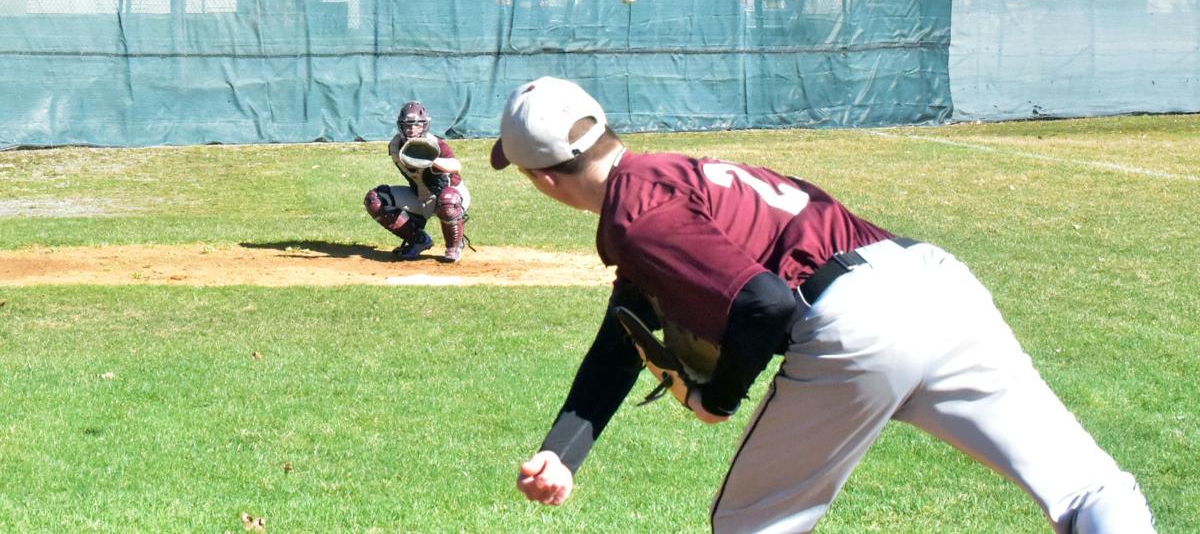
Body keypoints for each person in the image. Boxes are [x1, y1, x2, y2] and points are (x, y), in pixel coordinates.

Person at [493, 76, 1156, 534]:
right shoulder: (671, 172)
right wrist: (563, 450)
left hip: (857, 317)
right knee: (1085, 486)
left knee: (748, 522)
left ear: (543, 178)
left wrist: (717, 399)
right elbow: (626, 330)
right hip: (935, 282)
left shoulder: (634, 216)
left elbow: (765, 303)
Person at [364, 101, 470, 263]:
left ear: (425, 125)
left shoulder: (435, 143)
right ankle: (418, 240)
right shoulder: (395, 145)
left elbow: (456, 166)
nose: (412, 129)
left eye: (417, 125)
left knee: (448, 200)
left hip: (451, 192)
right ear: (401, 126)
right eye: (408, 126)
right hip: (421, 194)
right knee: (375, 199)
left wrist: (432, 160)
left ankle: (454, 245)